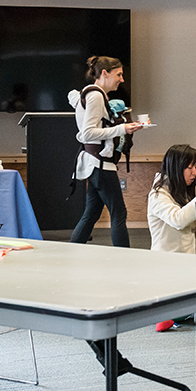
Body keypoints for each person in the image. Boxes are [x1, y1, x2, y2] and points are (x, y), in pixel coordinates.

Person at [68, 56, 143, 247]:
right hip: (100, 164)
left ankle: (72, 251)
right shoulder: (96, 95)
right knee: (119, 213)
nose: (122, 79)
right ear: (104, 73)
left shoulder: (89, 94)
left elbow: (73, 96)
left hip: (94, 163)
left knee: (92, 213)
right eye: (118, 74)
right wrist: (123, 129)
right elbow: (87, 133)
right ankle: (125, 258)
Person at [148, 144, 196, 332]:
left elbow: (193, 226)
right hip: (167, 267)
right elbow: (178, 220)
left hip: (185, 264)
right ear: (175, 168)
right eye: (190, 168)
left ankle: (177, 309)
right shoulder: (158, 194)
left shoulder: (180, 190)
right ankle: (165, 311)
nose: (194, 172)